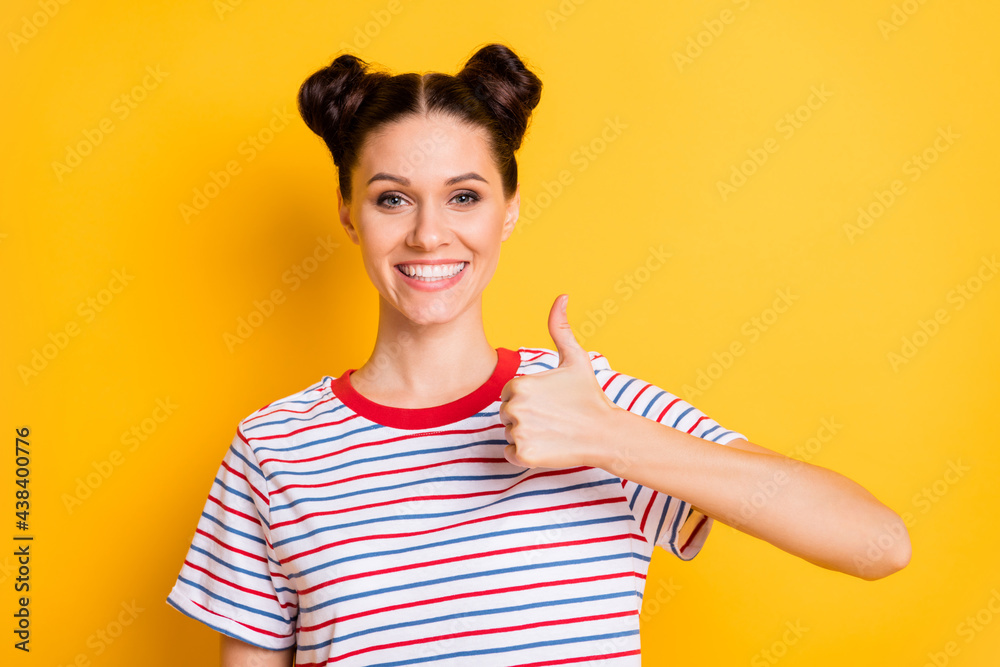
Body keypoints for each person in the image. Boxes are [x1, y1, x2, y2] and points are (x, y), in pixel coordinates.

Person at [166, 43, 910, 666]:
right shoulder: (274, 449)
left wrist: (610, 437)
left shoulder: (588, 403)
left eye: (464, 197)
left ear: (510, 209)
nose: (429, 235)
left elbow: (878, 542)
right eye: (392, 198)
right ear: (347, 211)